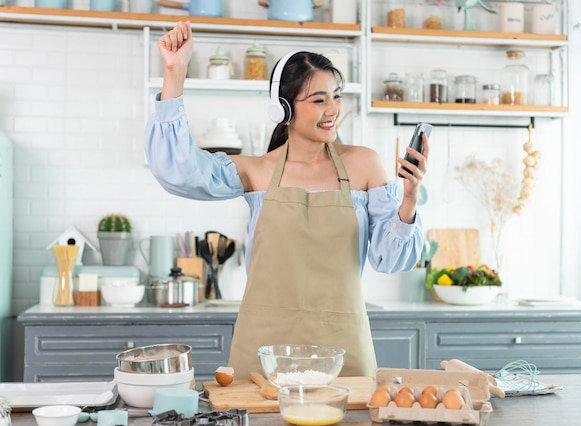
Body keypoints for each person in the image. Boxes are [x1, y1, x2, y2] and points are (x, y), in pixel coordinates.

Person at [145, 21, 429, 379]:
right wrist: (175, 71)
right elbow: (178, 171)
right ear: (282, 108)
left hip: (342, 346)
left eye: (337, 95)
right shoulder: (257, 171)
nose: (333, 109)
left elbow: (391, 260)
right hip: (264, 348)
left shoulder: (364, 164)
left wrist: (409, 198)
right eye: (319, 100)